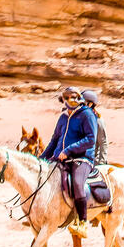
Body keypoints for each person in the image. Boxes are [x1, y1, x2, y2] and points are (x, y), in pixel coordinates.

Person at [40, 86, 99, 238]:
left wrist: (68, 150)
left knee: (78, 183)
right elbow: (54, 141)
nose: (71, 99)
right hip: (60, 158)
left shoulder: (87, 115)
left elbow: (91, 139)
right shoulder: (63, 118)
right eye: (67, 97)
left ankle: (83, 222)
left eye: (74, 96)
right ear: (63, 100)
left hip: (82, 158)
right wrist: (41, 159)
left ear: (79, 98)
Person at [82, 90, 109, 165]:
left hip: (91, 160)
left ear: (90, 104)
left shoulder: (98, 121)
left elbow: (103, 142)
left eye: (82, 103)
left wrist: (102, 162)